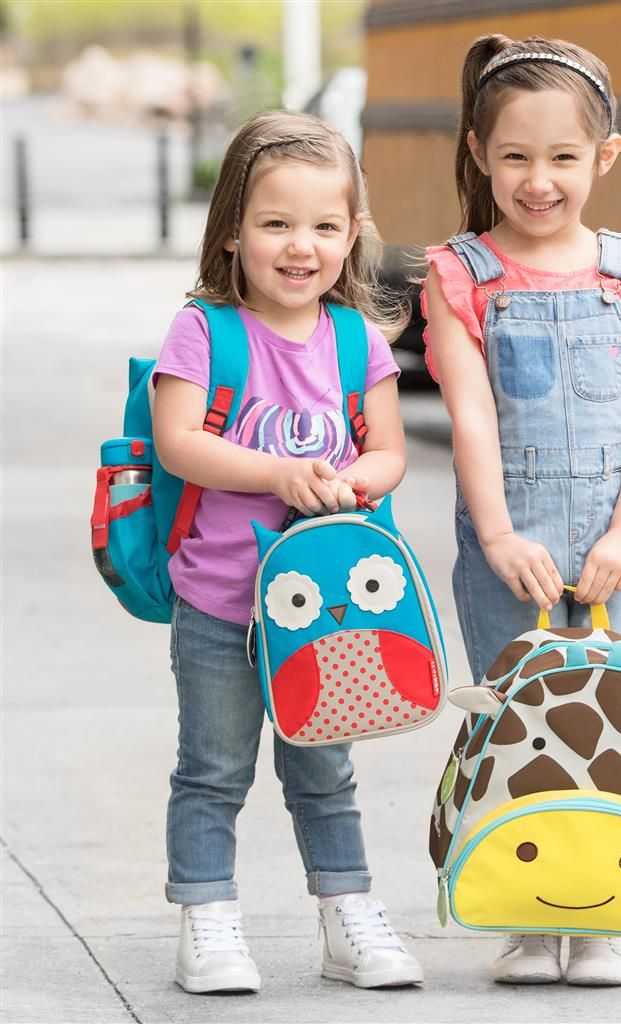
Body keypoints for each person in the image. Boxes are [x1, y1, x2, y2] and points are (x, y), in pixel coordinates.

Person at [422, 34, 621, 986]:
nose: (539, 180)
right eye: (516, 157)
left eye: (564, 157)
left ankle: (607, 917)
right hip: (509, 539)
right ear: (480, 153)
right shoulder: (459, 274)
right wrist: (495, 534)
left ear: (605, 158)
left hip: (616, 537)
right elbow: (473, 418)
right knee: (518, 723)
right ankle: (529, 920)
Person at [151, 111, 423, 993]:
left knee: (325, 770)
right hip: (222, 604)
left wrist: (351, 481)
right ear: (233, 231)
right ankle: (210, 921)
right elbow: (179, 443)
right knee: (213, 768)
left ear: (352, 235)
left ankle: (348, 918)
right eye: (275, 223)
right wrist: (282, 472)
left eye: (324, 226)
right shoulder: (206, 331)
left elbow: (388, 451)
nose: (300, 245)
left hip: (330, 611)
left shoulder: (357, 340)